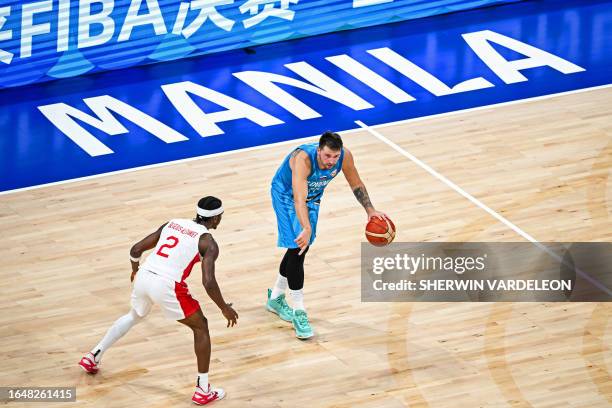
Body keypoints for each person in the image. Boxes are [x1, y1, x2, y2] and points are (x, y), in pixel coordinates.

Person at [78, 196, 238, 406]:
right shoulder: (208, 243)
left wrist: (135, 270)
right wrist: (224, 308)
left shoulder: (173, 223)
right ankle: (203, 389)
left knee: (134, 315)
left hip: (145, 275)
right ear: (216, 218)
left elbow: (136, 250)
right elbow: (208, 282)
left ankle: (93, 356)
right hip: (167, 285)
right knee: (201, 327)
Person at [267, 131, 386, 339]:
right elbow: (298, 199)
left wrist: (370, 211)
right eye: (327, 156)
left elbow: (356, 184)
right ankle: (299, 311)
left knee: (300, 248)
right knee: (298, 247)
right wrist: (306, 227)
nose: (332, 161)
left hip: (312, 197)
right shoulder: (302, 159)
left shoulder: (344, 157)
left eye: (335, 156)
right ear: (319, 151)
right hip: (287, 195)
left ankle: (276, 297)